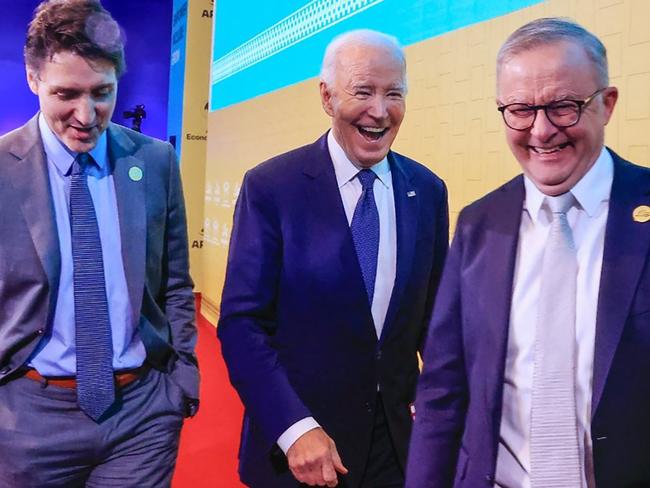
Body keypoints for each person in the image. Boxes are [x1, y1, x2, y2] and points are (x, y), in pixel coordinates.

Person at [406, 16, 650, 488]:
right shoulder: (479, 224)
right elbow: (443, 390)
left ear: (607, 103)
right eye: (519, 109)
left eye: (563, 106)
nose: (540, 131)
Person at [218, 29, 449, 488]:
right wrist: (294, 428)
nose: (380, 111)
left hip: (395, 453)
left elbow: (435, 322)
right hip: (299, 454)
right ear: (327, 97)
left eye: (394, 94)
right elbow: (243, 325)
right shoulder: (271, 188)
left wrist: (445, 403)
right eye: (363, 92)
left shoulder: (427, 191)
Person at [0, 1, 199, 486]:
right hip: (26, 419)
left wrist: (181, 384)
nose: (86, 115)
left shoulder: (155, 161)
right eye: (66, 93)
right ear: (32, 79)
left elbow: (174, 283)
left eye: (102, 93)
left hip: (142, 415)